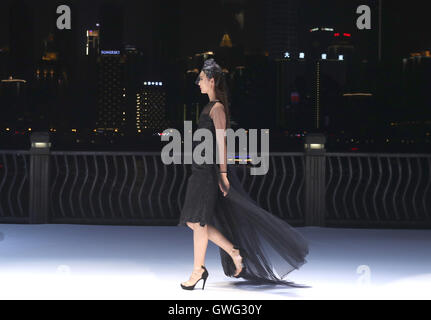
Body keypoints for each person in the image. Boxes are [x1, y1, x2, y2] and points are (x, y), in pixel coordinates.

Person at [178, 58, 309, 290]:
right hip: (199, 170)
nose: (197, 82)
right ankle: (232, 251)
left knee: (197, 222)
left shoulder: (217, 108)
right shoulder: (208, 107)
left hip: (208, 172)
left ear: (212, 80)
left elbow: (222, 142)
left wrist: (223, 174)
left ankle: (199, 269)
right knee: (193, 221)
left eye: (200, 78)